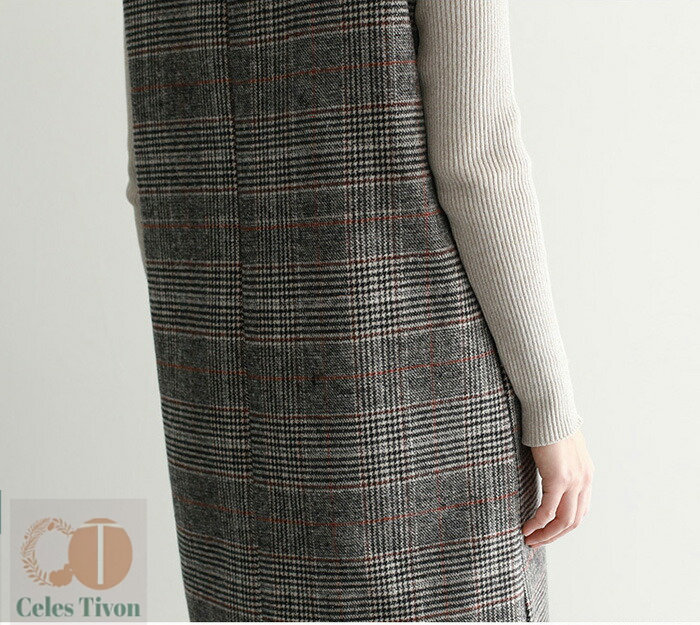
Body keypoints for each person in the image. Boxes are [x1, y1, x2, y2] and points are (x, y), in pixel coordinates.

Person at [123, 0, 594, 621]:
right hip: (414, 396)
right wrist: (551, 407)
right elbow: (477, 162)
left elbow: (145, 183)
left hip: (216, 410)